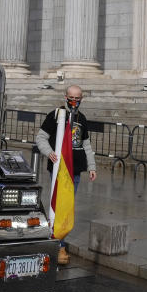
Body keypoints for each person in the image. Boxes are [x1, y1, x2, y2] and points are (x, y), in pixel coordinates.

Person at [35, 84, 97, 265]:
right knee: (59, 206)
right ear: (65, 97)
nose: (75, 101)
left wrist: (92, 166)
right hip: (58, 169)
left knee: (67, 208)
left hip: (75, 170)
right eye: (72, 97)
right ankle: (58, 245)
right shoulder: (55, 115)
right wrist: (49, 152)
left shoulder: (82, 118)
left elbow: (86, 145)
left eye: (78, 98)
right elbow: (41, 138)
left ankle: (57, 242)